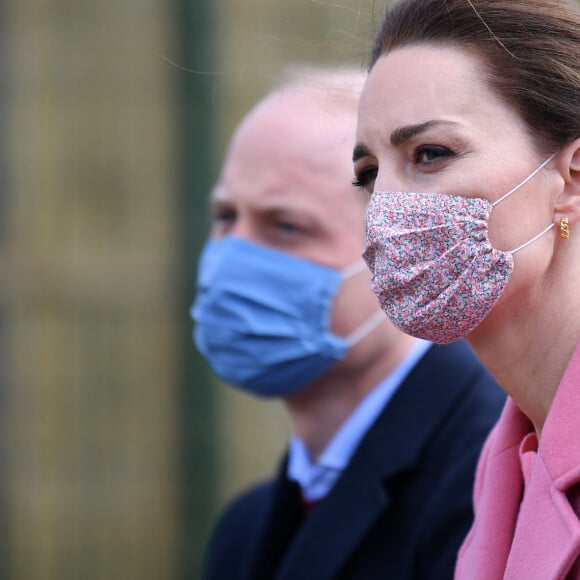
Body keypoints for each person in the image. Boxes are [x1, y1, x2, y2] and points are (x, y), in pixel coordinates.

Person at [192, 66, 504, 580]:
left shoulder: (490, 482)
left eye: (287, 226)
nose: (234, 256)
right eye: (226, 217)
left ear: (397, 242)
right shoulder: (244, 530)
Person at [353, 0, 580, 578]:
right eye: (369, 174)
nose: (384, 209)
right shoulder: (500, 466)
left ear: (571, 178)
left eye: (430, 155)